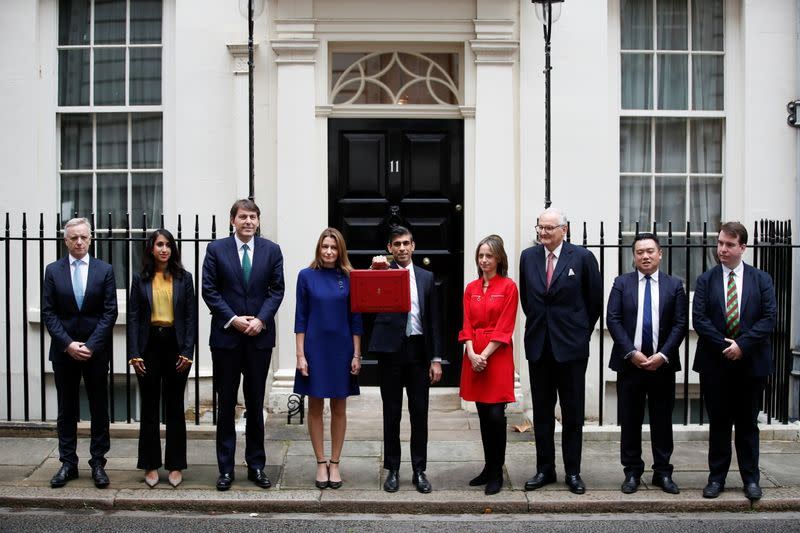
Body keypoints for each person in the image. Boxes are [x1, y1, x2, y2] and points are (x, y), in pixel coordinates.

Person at [202, 199, 285, 491]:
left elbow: (277, 290)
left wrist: (261, 320)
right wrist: (234, 319)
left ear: (258, 222)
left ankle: (256, 465)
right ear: (232, 221)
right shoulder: (216, 250)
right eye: (243, 217)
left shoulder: (272, 251)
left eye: (253, 217)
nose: (248, 221)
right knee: (225, 405)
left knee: (255, 403)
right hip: (227, 339)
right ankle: (225, 469)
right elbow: (209, 290)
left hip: (259, 339)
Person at [519, 207, 601, 495]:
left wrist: (578, 333)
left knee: (572, 414)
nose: (543, 233)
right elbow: (528, 301)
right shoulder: (528, 257)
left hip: (571, 349)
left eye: (549, 228)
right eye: (540, 227)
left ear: (563, 230)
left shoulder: (582, 258)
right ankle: (545, 469)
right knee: (541, 413)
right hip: (539, 346)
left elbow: (594, 303)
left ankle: (573, 471)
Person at [692, 221, 776, 501]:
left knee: (747, 424)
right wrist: (725, 346)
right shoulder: (706, 279)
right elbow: (700, 320)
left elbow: (769, 318)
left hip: (751, 363)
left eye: (729, 244)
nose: (722, 249)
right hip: (716, 363)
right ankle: (716, 478)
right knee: (718, 423)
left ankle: (751, 479)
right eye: (720, 243)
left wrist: (742, 345)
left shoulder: (761, 279)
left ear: (743, 247)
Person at [606, 233, 687, 495]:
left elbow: (680, 324)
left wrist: (662, 355)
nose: (645, 256)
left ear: (660, 253)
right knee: (630, 420)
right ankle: (631, 472)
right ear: (634, 256)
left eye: (650, 251)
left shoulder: (674, 285)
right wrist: (631, 352)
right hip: (631, 365)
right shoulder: (622, 283)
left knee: (662, 420)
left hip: (661, 365)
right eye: (640, 252)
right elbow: (613, 319)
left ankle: (662, 472)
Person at [42, 217, 118, 488]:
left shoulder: (104, 269)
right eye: (73, 237)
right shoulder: (53, 270)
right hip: (64, 352)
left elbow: (110, 312)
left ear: (90, 238)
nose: (78, 241)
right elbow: (48, 313)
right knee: (67, 409)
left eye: (83, 237)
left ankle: (98, 463)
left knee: (99, 408)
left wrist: (91, 345)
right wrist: (68, 344)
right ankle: (68, 463)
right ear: (65, 241)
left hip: (95, 353)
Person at [369, 225, 443, 494]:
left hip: (418, 352)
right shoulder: (382, 273)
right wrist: (376, 272)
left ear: (413, 246)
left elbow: (434, 321)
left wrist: (436, 359)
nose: (402, 248)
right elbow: (366, 304)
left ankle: (419, 470)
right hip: (390, 353)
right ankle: (393, 469)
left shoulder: (425, 277)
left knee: (419, 413)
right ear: (389, 248)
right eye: (396, 244)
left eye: (406, 243)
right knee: (392, 413)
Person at [294, 228, 363, 489]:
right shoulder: (306, 276)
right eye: (325, 246)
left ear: (340, 250)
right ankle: (320, 462)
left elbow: (355, 319)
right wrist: (300, 355)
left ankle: (335, 462)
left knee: (339, 408)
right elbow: (300, 318)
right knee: (314, 406)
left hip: (342, 349)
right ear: (319, 248)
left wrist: (357, 354)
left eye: (334, 247)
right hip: (314, 349)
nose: (329, 251)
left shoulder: (348, 277)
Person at [128, 229, 196, 489]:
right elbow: (133, 317)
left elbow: (190, 318)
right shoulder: (140, 279)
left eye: (168, 245)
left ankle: (176, 465)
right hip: (148, 347)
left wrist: (188, 353)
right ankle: (150, 464)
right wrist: (134, 353)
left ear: (173, 249)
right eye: (159, 244)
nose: (164, 249)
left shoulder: (184, 278)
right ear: (151, 249)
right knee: (149, 407)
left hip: (175, 346)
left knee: (175, 407)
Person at [459, 235, 518, 495]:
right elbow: (467, 324)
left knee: (496, 416)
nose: (484, 260)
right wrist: (471, 352)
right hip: (474, 356)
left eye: (489, 256)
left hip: (497, 355)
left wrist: (485, 354)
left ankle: (497, 471)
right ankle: (487, 467)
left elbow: (506, 326)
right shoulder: (471, 288)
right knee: (483, 415)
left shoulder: (508, 287)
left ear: (499, 259)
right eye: (481, 255)